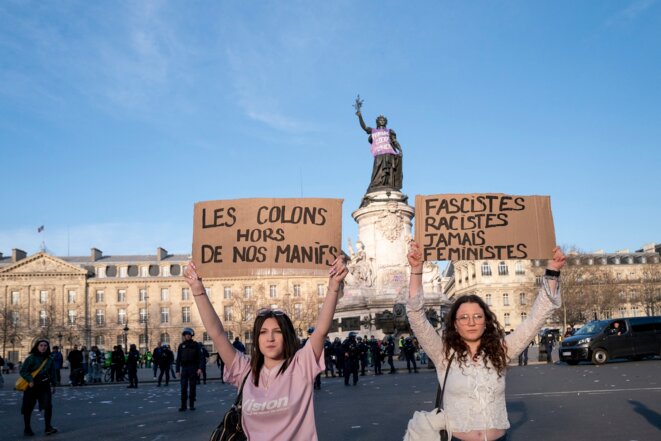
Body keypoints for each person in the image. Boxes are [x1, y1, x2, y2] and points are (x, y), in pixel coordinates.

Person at [407, 241, 566, 441]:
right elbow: (415, 316)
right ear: (455, 324)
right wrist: (416, 270)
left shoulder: (502, 350)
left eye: (478, 316)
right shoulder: (442, 353)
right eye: (464, 317)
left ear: (486, 321)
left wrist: (552, 271)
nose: (471, 322)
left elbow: (536, 318)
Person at [183, 257, 347, 440]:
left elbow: (321, 331)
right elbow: (217, 334)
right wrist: (197, 290)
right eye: (263, 332)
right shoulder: (245, 370)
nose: (269, 338)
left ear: (287, 337)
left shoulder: (301, 365)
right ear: (257, 338)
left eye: (277, 332)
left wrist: (334, 287)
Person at [355, 109, 403, 205]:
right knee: (377, 170)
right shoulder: (373, 131)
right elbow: (364, 127)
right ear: (377, 122)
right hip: (379, 154)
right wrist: (360, 116)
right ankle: (377, 184)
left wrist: (400, 149)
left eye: (383, 120)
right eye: (380, 120)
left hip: (389, 153)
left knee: (389, 171)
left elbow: (394, 141)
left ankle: (388, 184)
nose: (382, 121)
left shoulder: (389, 131)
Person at [20, 339, 57, 436]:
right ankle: (27, 429)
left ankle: (48, 427)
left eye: (45, 345)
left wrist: (53, 384)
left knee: (48, 406)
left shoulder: (50, 359)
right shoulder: (31, 358)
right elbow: (23, 371)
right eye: (41, 345)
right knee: (28, 407)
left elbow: (53, 373)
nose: (43, 347)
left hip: (44, 385)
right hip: (32, 385)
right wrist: (30, 380)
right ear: (37, 346)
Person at [176, 327, 204, 411]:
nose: (187, 336)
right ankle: (183, 405)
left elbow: (201, 358)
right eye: (186, 335)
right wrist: (177, 370)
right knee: (183, 386)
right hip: (184, 368)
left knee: (192, 386)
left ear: (191, 335)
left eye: (188, 335)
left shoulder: (196, 345)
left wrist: (200, 368)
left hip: (193, 367)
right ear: (184, 336)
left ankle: (191, 404)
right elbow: (178, 359)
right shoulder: (181, 346)